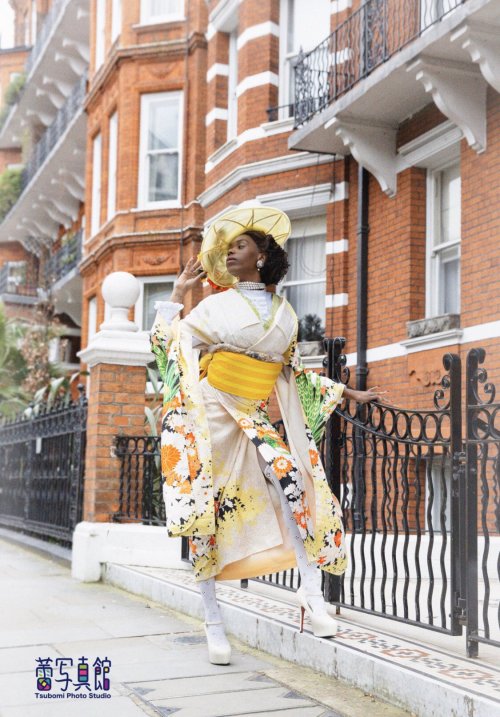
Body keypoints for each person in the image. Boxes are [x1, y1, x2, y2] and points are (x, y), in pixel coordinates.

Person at [150, 205, 383, 665]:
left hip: (251, 415)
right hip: (211, 416)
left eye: (239, 246)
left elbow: (293, 372)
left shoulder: (286, 315)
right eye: (228, 247)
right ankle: (213, 622)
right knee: (207, 516)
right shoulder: (214, 306)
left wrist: (349, 393)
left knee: (294, 485)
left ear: (261, 255)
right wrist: (176, 297)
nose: (229, 253)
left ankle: (311, 593)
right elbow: (170, 347)